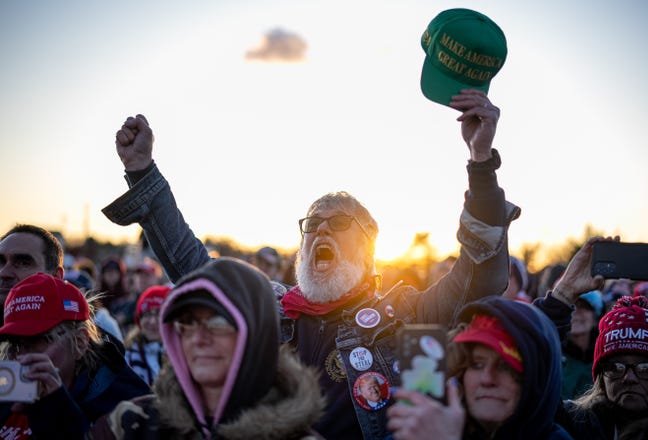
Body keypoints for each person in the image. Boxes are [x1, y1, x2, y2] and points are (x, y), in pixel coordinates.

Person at [102, 87, 518, 438]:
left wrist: (481, 163)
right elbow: (193, 265)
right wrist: (142, 172)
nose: (320, 231)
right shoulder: (266, 307)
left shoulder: (405, 315)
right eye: (312, 224)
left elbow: (480, 275)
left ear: (369, 245)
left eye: (338, 222)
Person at [89, 257, 325, 439]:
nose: (199, 338)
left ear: (256, 334)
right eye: (188, 322)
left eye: (219, 322)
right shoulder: (131, 424)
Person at [387, 296, 571, 439]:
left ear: (536, 378)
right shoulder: (420, 433)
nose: (487, 379)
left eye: (506, 366)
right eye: (477, 364)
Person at [535, 236, 648, 439]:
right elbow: (527, 381)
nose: (629, 378)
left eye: (646, 368)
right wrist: (565, 292)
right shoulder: (573, 424)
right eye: (615, 368)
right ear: (601, 378)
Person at [0, 273, 151, 438]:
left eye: (38, 341)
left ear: (80, 342)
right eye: (14, 344)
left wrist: (56, 411)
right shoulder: (7, 392)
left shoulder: (127, 405)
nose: (21, 356)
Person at [0, 224, 64, 319]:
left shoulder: (76, 332)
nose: (3, 273)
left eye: (23, 263)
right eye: (0, 262)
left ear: (55, 277)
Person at [124, 285, 170, 386]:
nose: (153, 321)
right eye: (147, 314)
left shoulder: (183, 354)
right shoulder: (127, 358)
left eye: (159, 314)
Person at [561, 290, 603, 400]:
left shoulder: (605, 357)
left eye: (584, 307)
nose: (575, 311)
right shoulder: (551, 354)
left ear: (595, 318)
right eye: (571, 306)